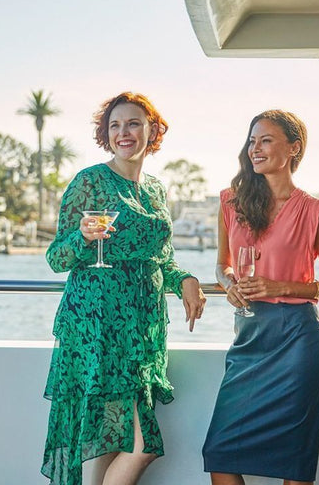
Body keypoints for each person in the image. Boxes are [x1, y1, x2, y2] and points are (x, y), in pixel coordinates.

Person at [42, 92, 207, 485]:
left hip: (141, 330)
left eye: (133, 123)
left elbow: (160, 259)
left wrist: (184, 278)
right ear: (106, 135)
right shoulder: (90, 182)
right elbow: (56, 258)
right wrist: (82, 237)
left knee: (112, 440)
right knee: (142, 445)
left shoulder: (155, 189)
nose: (124, 132)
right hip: (96, 328)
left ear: (152, 131)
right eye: (115, 126)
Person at [202, 110, 319, 485]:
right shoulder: (231, 202)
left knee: (293, 459)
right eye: (252, 141)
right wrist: (229, 283)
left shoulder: (316, 211)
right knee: (219, 452)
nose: (256, 149)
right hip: (248, 337)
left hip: (299, 339)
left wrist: (279, 287)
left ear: (293, 148)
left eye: (266, 140)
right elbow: (222, 265)